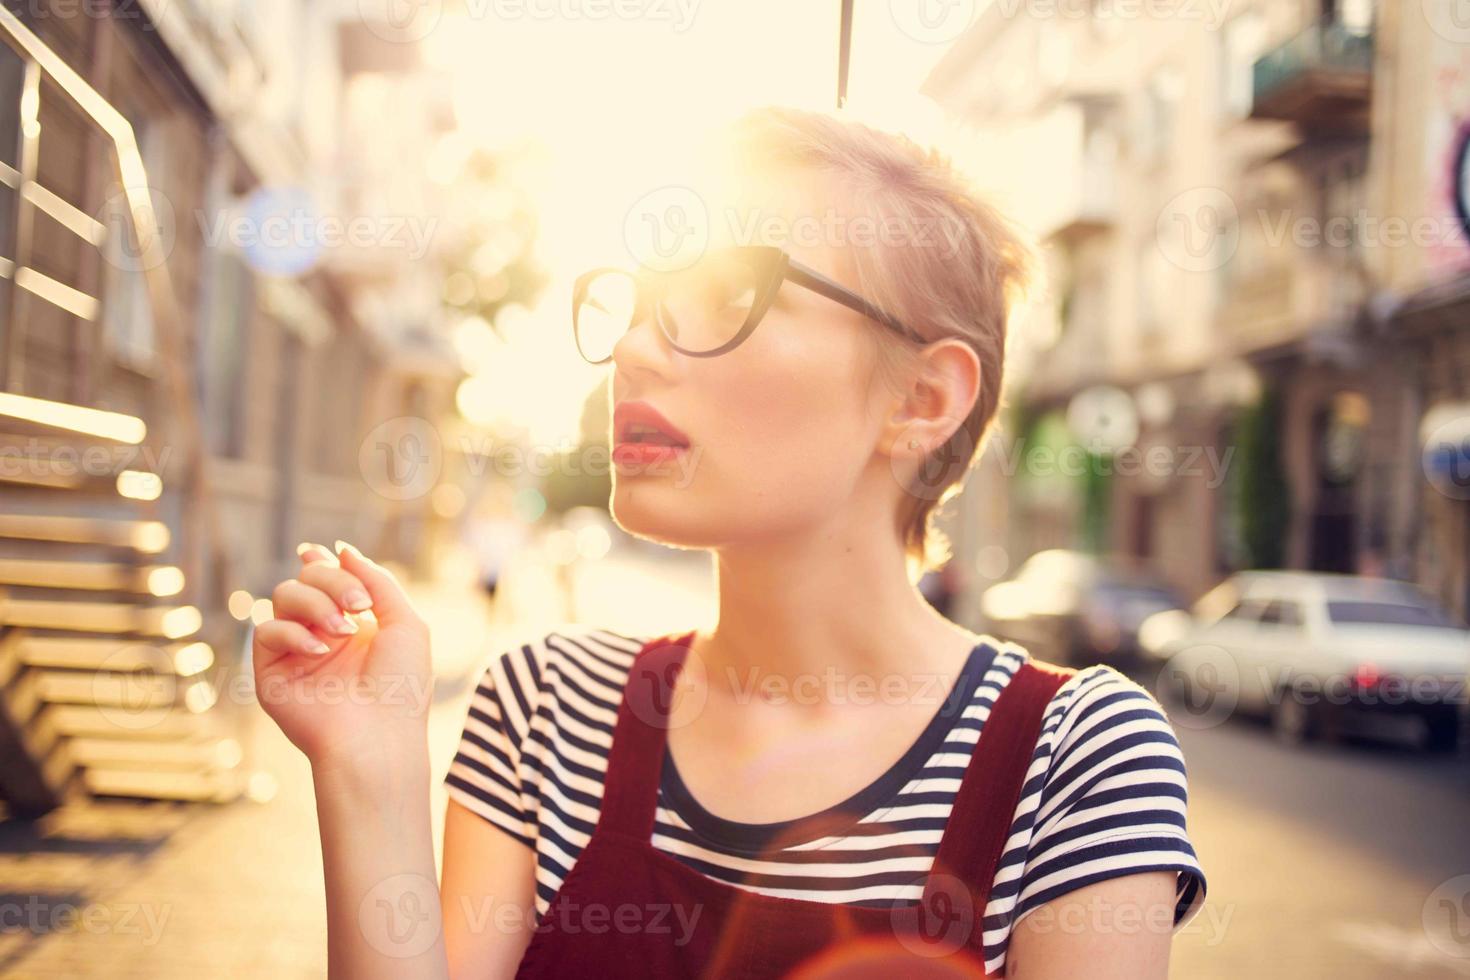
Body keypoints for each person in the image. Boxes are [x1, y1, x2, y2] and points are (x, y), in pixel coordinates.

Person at [252, 106, 1206, 979]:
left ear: (921, 400)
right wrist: (369, 769)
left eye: (730, 295)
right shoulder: (546, 709)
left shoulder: (1071, 760)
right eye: (639, 301)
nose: (631, 348)